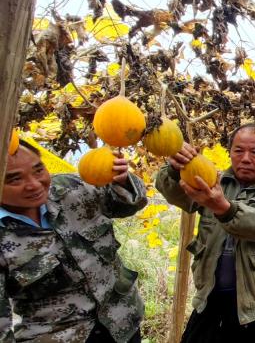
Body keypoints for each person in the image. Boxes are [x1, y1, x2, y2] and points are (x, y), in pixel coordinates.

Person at [155, 124, 255, 343]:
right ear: (229, 152)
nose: (245, 158)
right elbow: (178, 195)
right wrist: (175, 170)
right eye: (238, 151)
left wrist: (223, 207)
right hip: (210, 300)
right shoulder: (212, 181)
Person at [0, 140, 147, 342]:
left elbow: (126, 204)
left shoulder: (71, 189)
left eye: (38, 170)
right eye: (14, 179)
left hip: (121, 323)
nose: (34, 184)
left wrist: (122, 181)